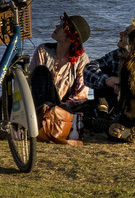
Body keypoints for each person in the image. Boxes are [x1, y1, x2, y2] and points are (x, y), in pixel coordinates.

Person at [29, 13, 91, 145]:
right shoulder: (43, 50)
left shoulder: (81, 59)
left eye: (63, 26)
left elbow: (81, 95)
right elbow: (32, 82)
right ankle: (42, 117)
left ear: (71, 37)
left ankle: (50, 121)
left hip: (62, 110)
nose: (57, 26)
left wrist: (62, 107)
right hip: (39, 105)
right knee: (41, 71)